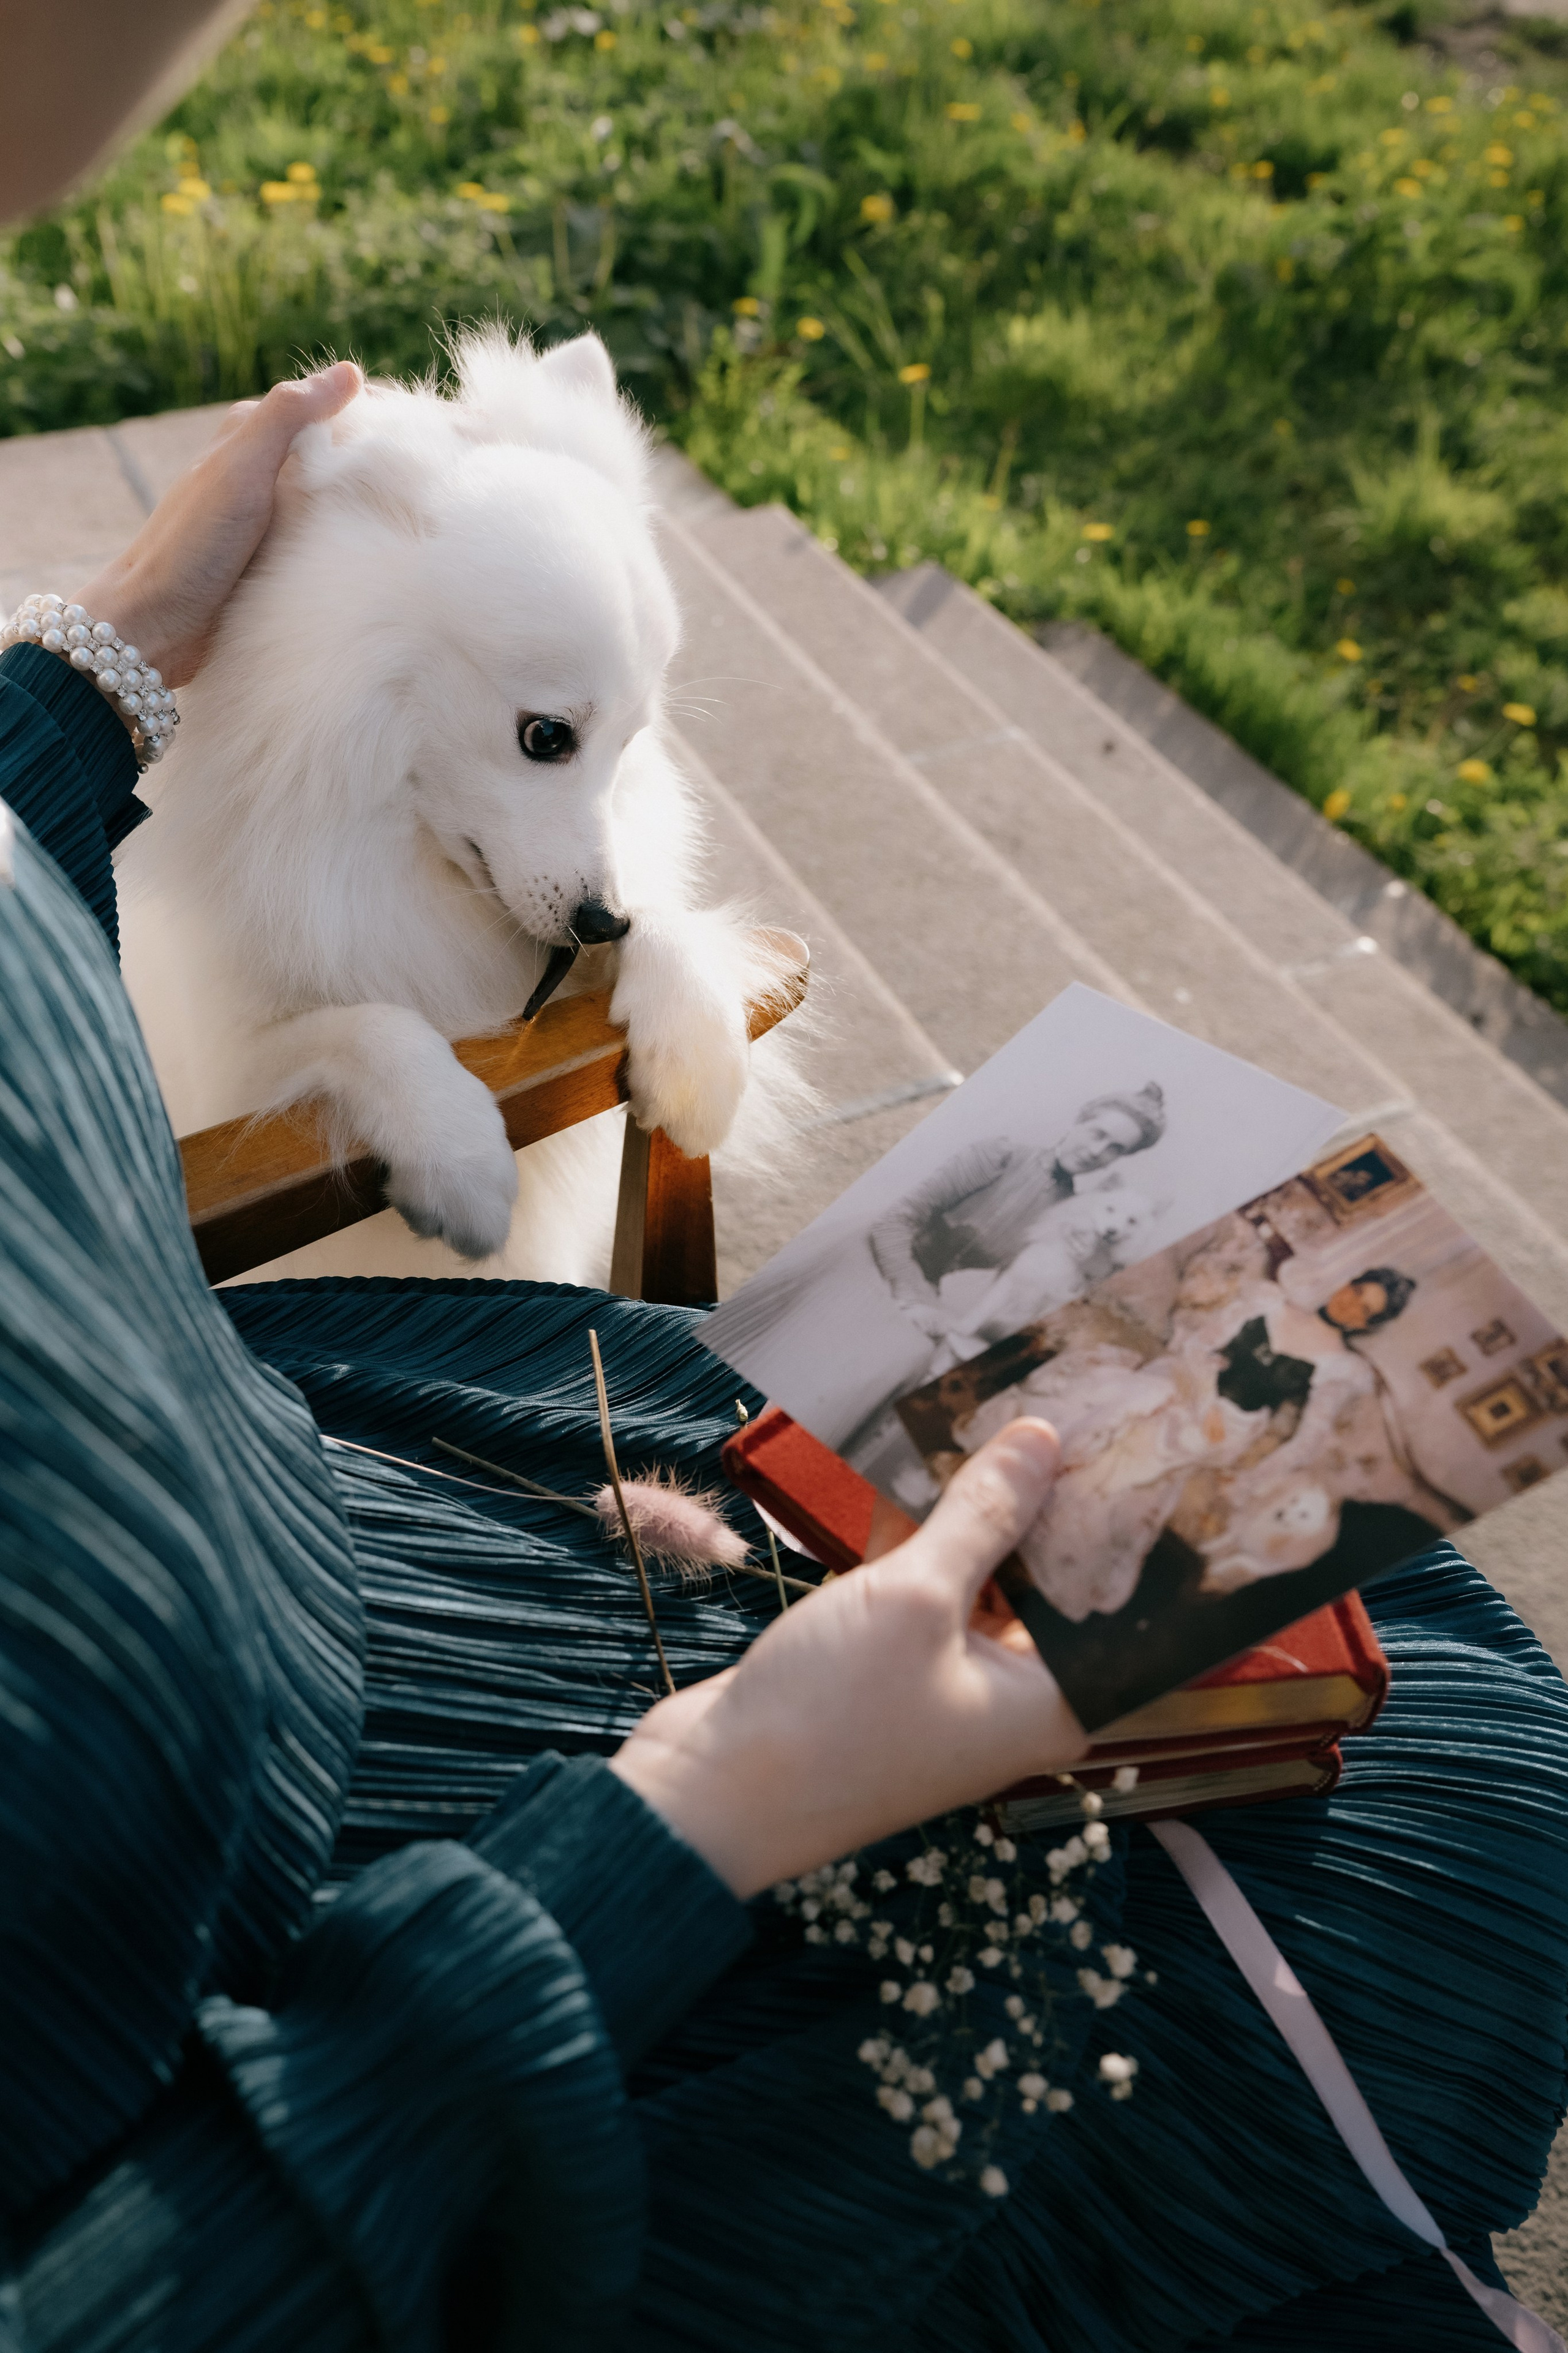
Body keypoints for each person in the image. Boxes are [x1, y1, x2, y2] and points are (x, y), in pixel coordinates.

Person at [5, 19, 1568, 2351]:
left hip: (421, 1505)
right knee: (1441, 1823)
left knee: (1410, 1687)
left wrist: (97, 667)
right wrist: (713, 1810)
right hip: (507, 1946)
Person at [868, 1084, 1167, 1341]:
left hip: (930, 1309)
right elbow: (894, 1221)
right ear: (1079, 1121)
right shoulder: (997, 1155)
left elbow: (1016, 1296)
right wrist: (912, 1298)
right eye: (1097, 1133)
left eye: (1115, 1148)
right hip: (875, 1265)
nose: (1096, 1151)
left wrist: (1081, 1272)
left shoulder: (1067, 1219)